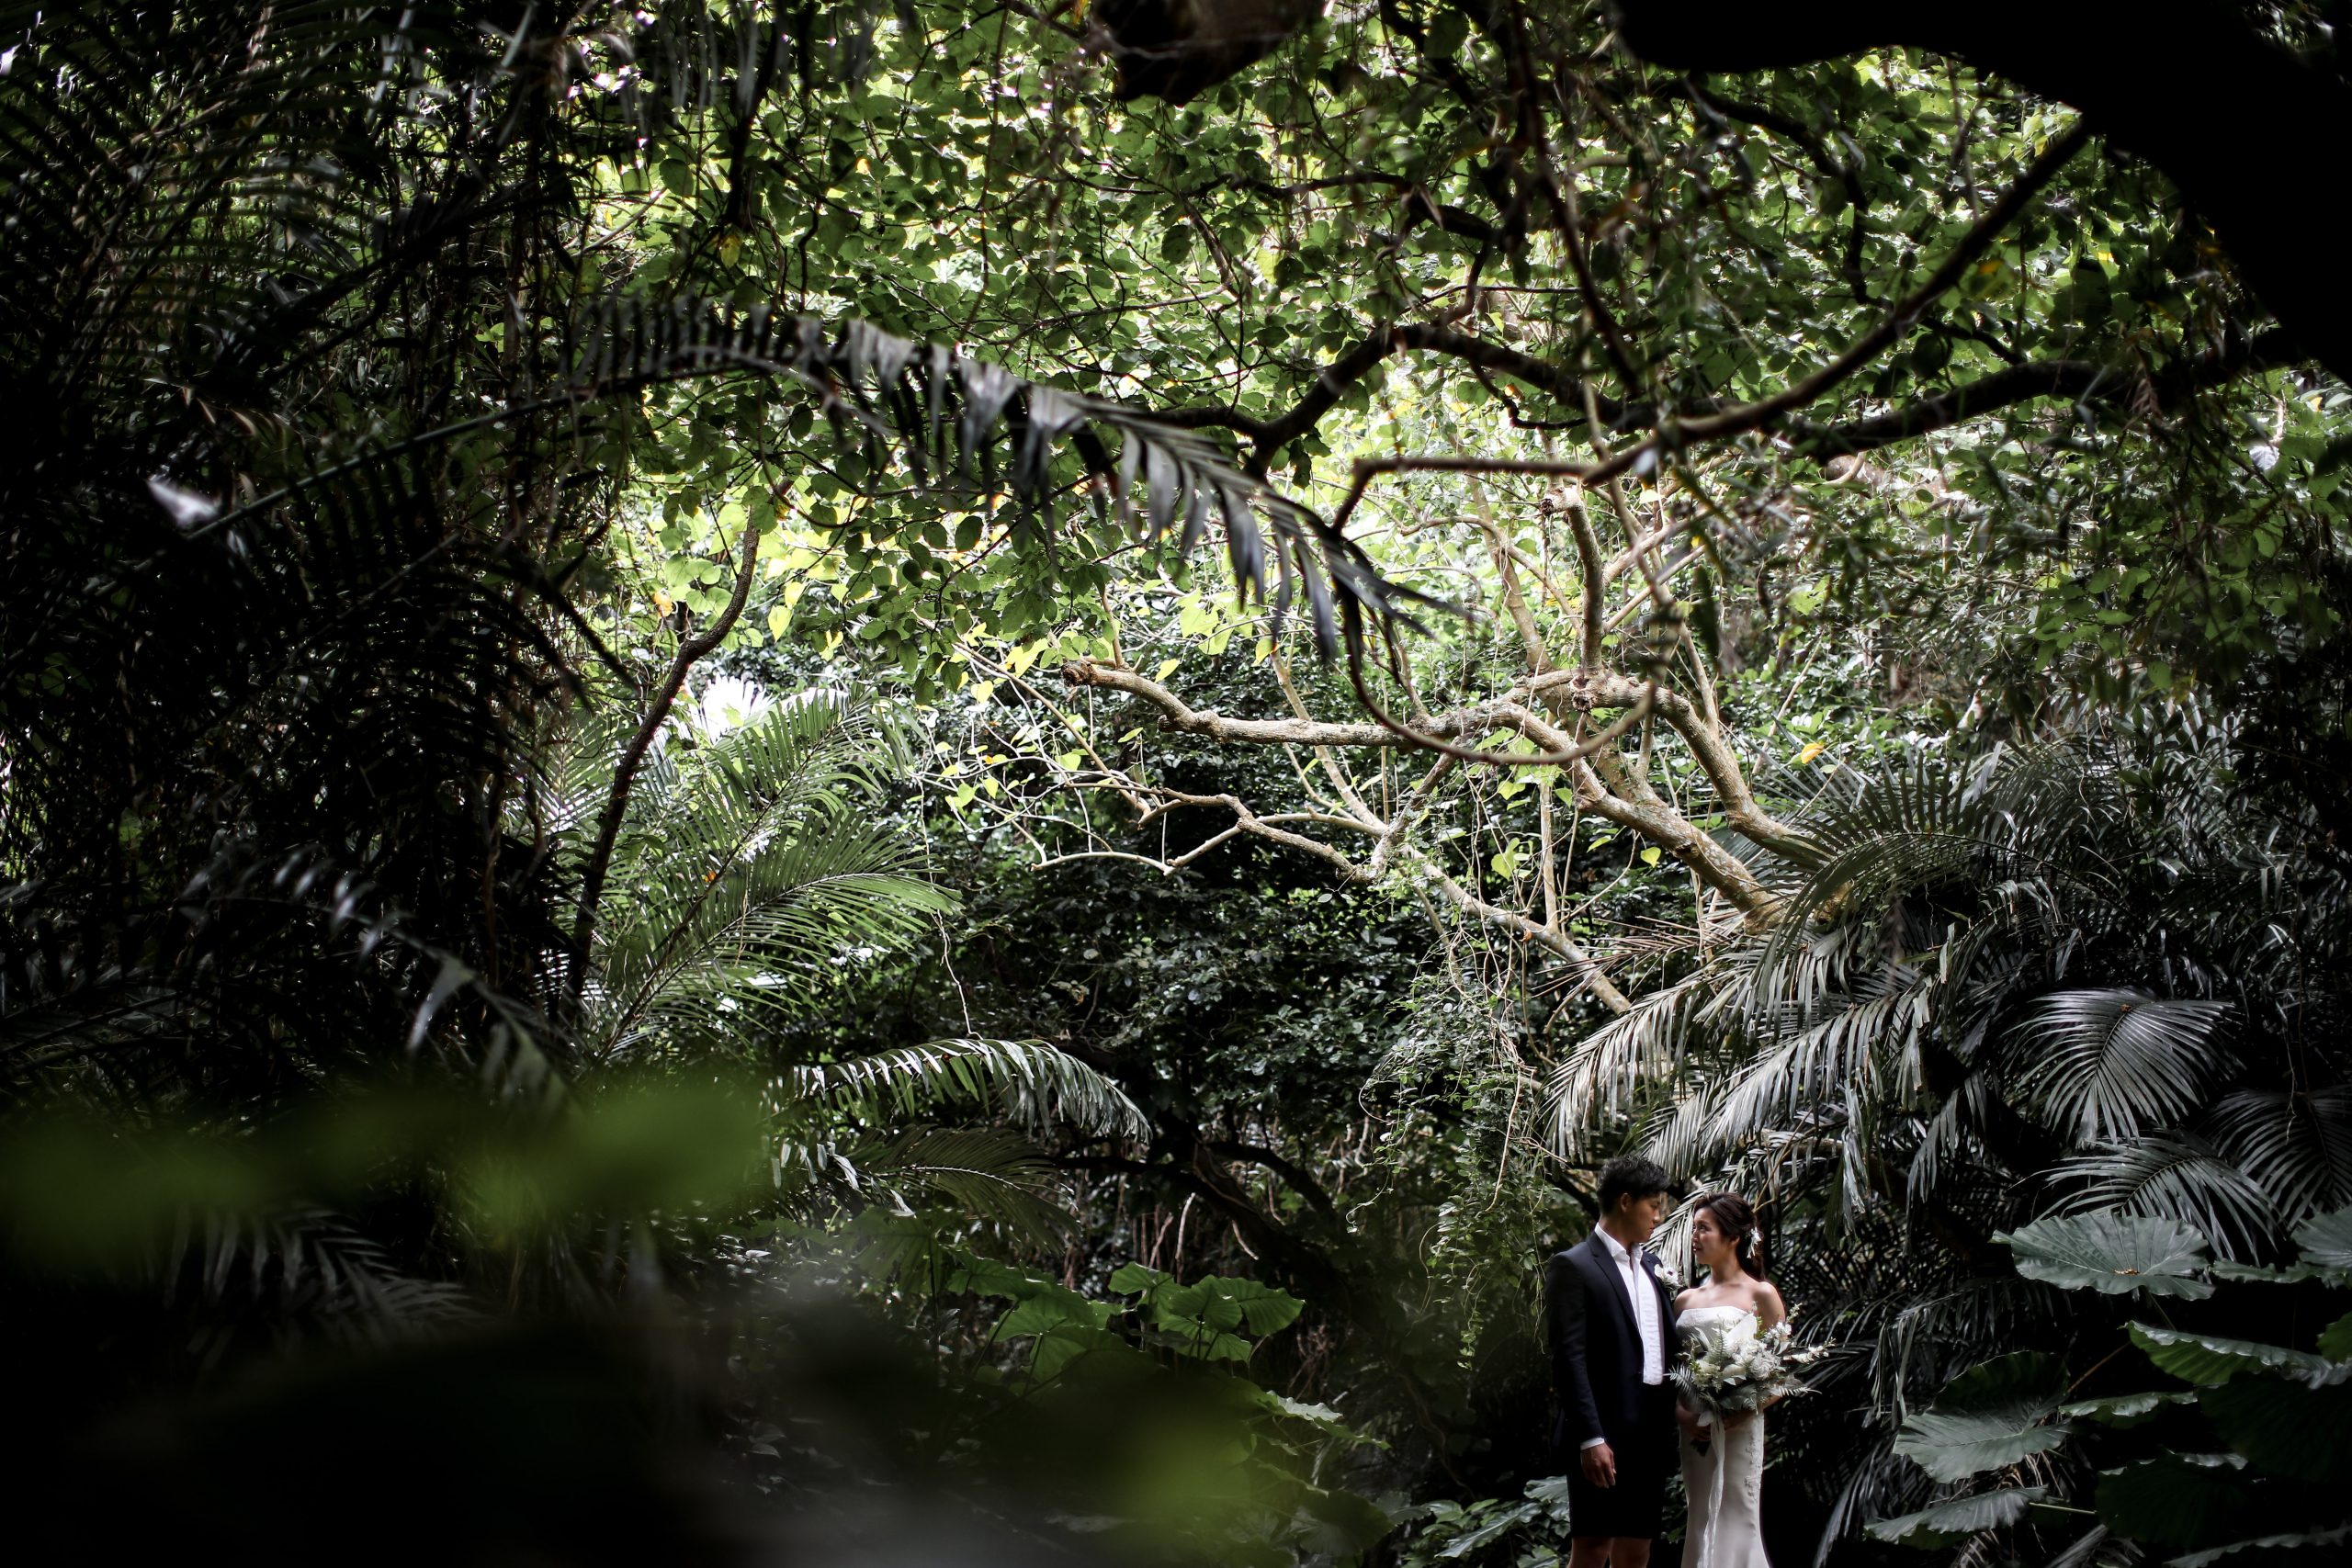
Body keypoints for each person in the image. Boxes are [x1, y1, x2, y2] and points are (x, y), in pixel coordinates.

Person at [1547, 1154, 1677, 1568]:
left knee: (1638, 1547)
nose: (1658, 1216)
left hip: (1652, 1431)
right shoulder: (1574, 1266)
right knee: (1592, 1545)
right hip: (1603, 1433)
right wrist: (1590, 1438)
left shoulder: (1654, 1266)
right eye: (1653, 1206)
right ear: (1625, 1201)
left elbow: (1664, 1348)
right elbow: (1569, 1359)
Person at [1672, 1191, 1787, 1568]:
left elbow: (1781, 1372)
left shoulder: (1761, 1294)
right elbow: (1676, 1372)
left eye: (1704, 1229)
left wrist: (1742, 1409)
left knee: (1738, 1516)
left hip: (1739, 1429)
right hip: (1694, 1431)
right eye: (1694, 1229)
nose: (1694, 1237)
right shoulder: (1684, 1301)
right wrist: (1682, 1415)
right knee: (1700, 1516)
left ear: (1734, 1237)